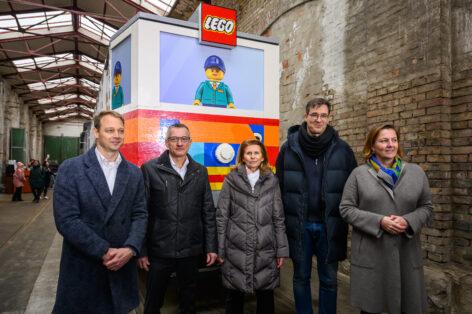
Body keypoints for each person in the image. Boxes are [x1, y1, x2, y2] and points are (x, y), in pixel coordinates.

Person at [53, 110, 147, 314]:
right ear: (96, 132)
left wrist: (131, 248)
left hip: (122, 265)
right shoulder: (71, 168)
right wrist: (104, 251)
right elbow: (66, 220)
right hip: (85, 265)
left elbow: (140, 214)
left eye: (121, 131)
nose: (117, 135)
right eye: (110, 130)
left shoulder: (133, 172)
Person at [339, 124, 432, 314]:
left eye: (394, 140)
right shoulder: (359, 175)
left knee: (408, 305)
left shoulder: (416, 173)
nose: (390, 145)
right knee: (371, 307)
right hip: (373, 252)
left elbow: (427, 208)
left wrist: (408, 221)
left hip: (406, 252)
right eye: (383, 140)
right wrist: (379, 221)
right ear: (372, 146)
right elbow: (346, 209)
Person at [276, 98, 357, 314]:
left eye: (323, 115)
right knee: (301, 277)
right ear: (306, 117)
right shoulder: (289, 148)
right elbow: (279, 187)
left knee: (329, 279)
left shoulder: (343, 150)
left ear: (329, 118)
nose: (318, 119)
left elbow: (353, 187)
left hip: (330, 225)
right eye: (314, 115)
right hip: (298, 224)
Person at [139, 123, 217, 314]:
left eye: (184, 139)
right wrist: (141, 251)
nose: (179, 143)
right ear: (166, 142)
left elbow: (208, 211)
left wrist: (211, 247)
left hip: (190, 249)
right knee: (153, 301)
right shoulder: (150, 169)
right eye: (174, 139)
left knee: (188, 300)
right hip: (160, 249)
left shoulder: (200, 171)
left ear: (190, 142)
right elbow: (142, 212)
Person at [216, 139, 289, 314]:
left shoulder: (272, 181)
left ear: (263, 156)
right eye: (249, 153)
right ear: (242, 157)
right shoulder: (231, 180)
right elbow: (222, 216)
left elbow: (278, 218)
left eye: (256, 153)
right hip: (236, 248)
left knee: (266, 296)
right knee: (234, 294)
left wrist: (281, 250)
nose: (253, 156)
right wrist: (220, 248)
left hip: (265, 248)